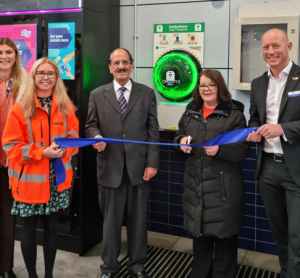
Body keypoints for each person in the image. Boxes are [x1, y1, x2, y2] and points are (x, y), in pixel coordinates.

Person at [85, 48, 159, 278]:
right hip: (110, 167)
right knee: (110, 223)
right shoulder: (98, 94)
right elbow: (90, 125)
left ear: (131, 65)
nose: (121, 66)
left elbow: (152, 130)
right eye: (116, 63)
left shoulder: (146, 93)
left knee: (138, 222)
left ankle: (137, 265)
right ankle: (109, 267)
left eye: (125, 62)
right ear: (110, 67)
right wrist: (95, 137)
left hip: (139, 168)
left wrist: (152, 163)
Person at [2, 57, 79, 278]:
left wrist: (67, 149)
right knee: (28, 230)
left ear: (57, 78)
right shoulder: (20, 108)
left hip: (57, 179)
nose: (46, 78)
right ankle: (33, 276)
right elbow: (10, 146)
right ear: (33, 76)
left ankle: (48, 275)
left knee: (52, 228)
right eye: (41, 73)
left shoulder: (65, 106)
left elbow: (73, 136)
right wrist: (40, 152)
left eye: (51, 74)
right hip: (29, 181)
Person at [174, 69, 249, 278]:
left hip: (223, 191)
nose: (206, 89)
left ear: (220, 87)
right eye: (202, 85)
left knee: (225, 243)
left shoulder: (234, 114)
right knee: (200, 242)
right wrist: (180, 142)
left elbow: (243, 149)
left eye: (211, 85)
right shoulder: (190, 112)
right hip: (195, 188)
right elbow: (179, 134)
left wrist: (220, 150)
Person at [246, 28, 300, 278]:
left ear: (289, 46)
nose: (270, 52)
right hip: (267, 168)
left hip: (295, 169)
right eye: (266, 47)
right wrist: (253, 131)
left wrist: (283, 128)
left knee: (297, 236)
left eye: (276, 46)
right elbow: (254, 119)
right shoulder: (259, 83)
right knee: (280, 234)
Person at [0, 37, 27, 278]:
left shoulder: (25, 83)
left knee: (8, 216)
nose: (4, 56)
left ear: (15, 56)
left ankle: (6, 269)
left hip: (12, 158)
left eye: (9, 52)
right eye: (0, 52)